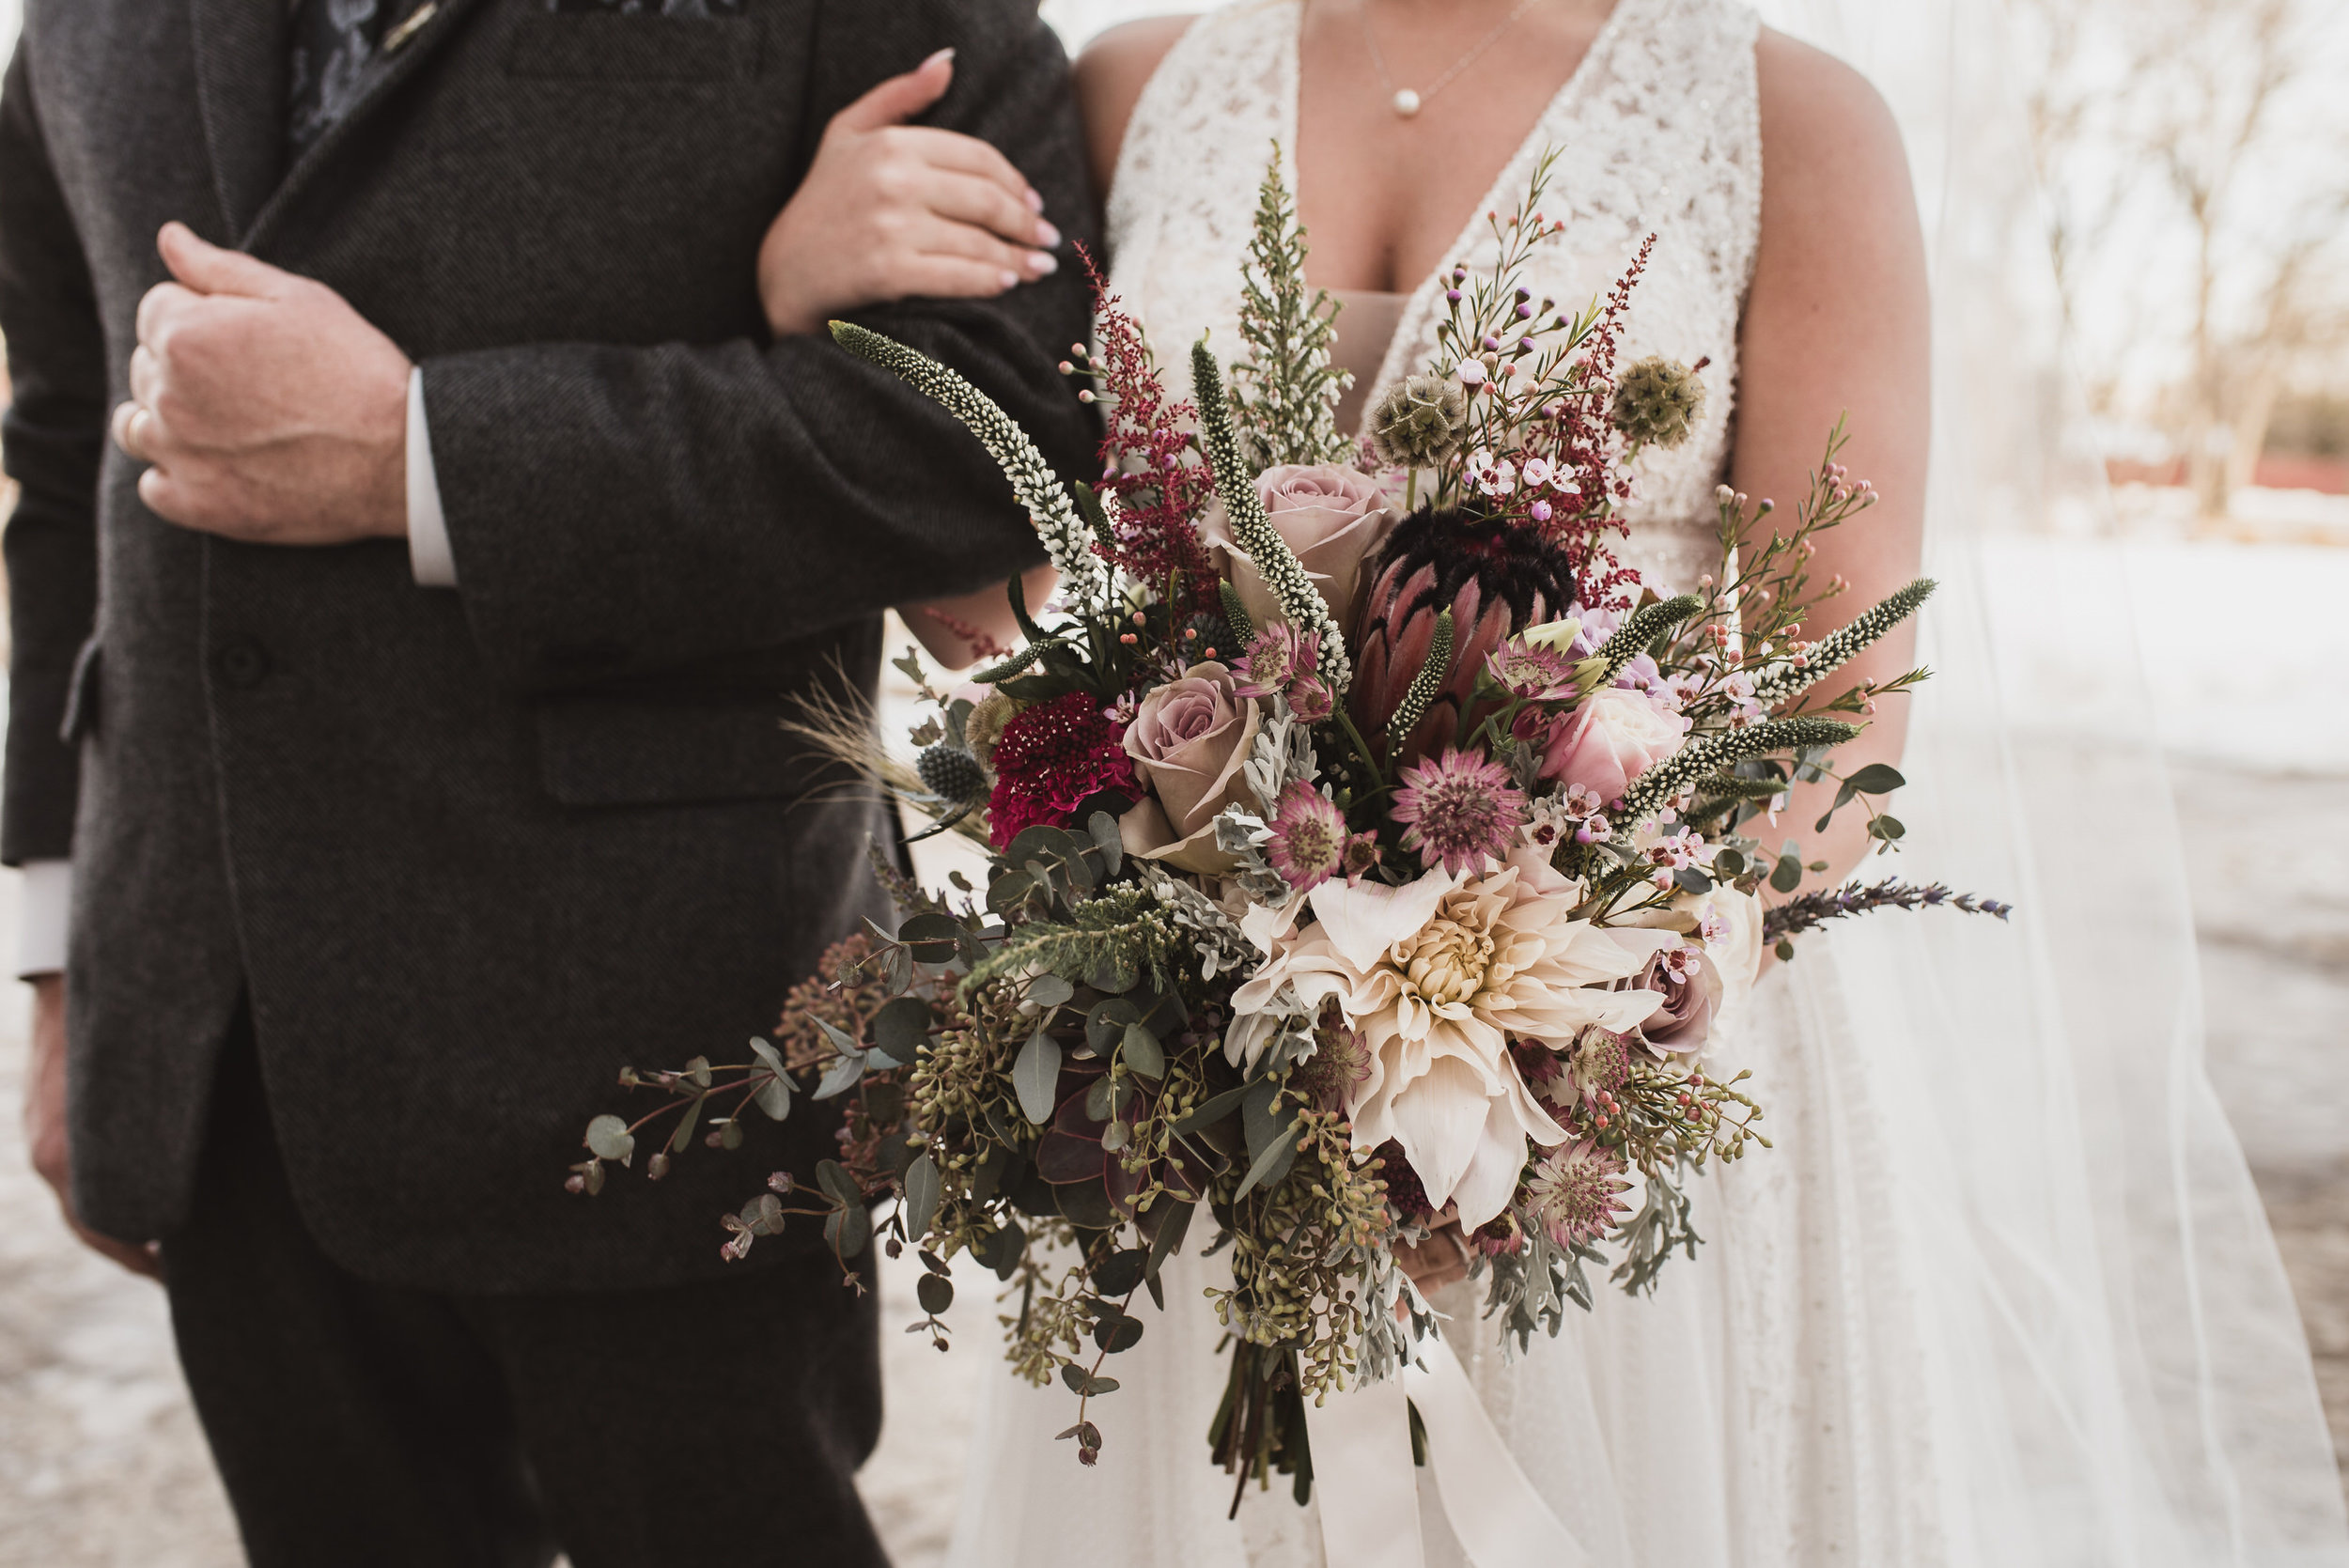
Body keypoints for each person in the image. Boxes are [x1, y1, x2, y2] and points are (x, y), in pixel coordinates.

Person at [934, 1, 2349, 1564]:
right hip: (1213, 1066)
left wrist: (1564, 1005)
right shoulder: (1135, 85)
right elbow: (984, 594)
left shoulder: (1790, 120)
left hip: (1626, 1073)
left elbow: (1846, 697)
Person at [1, 3, 1094, 1563]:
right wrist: (62, 958)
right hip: (219, 1032)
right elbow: (62, 441)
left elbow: (1002, 428)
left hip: (674, 1038)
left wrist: (422, 454)